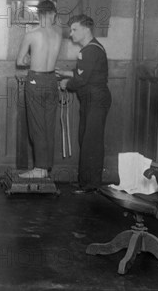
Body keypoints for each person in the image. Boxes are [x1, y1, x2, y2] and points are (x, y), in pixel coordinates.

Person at [57, 14, 111, 194]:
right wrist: (65, 72)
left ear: (86, 29)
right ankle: (85, 182)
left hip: (95, 98)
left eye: (74, 30)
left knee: (91, 142)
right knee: (85, 139)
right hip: (91, 99)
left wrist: (66, 83)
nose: (71, 34)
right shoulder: (91, 48)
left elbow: (81, 80)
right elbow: (86, 73)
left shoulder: (89, 50)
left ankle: (91, 185)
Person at [16, 0, 62, 179]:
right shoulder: (58, 35)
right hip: (52, 80)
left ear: (38, 14)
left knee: (37, 126)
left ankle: (39, 168)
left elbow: (20, 61)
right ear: (54, 14)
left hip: (36, 80)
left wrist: (30, 58)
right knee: (48, 126)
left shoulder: (32, 34)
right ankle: (45, 168)